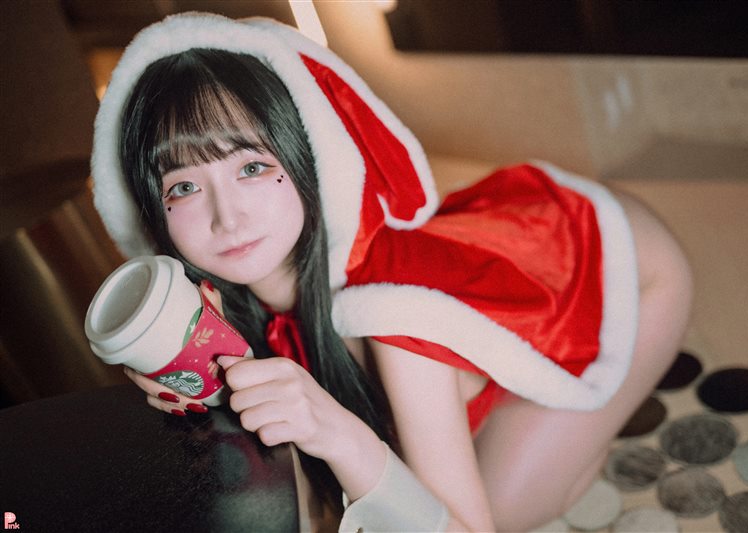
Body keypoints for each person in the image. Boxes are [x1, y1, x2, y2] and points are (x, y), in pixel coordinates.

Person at [90, 13, 692, 531]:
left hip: (624, 264)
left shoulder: (392, 313)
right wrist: (211, 395)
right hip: (502, 249)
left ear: (308, 152)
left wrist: (338, 431)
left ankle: (570, 416)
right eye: (185, 186)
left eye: (250, 168)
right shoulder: (215, 308)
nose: (227, 217)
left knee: (499, 510)